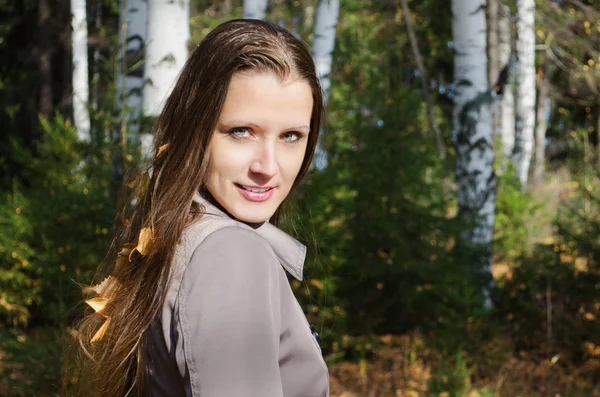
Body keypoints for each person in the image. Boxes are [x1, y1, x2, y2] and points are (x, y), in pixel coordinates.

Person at [73, 19, 329, 397]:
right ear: (195, 129)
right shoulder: (231, 254)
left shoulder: (179, 233)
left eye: (291, 136)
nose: (268, 167)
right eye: (241, 131)